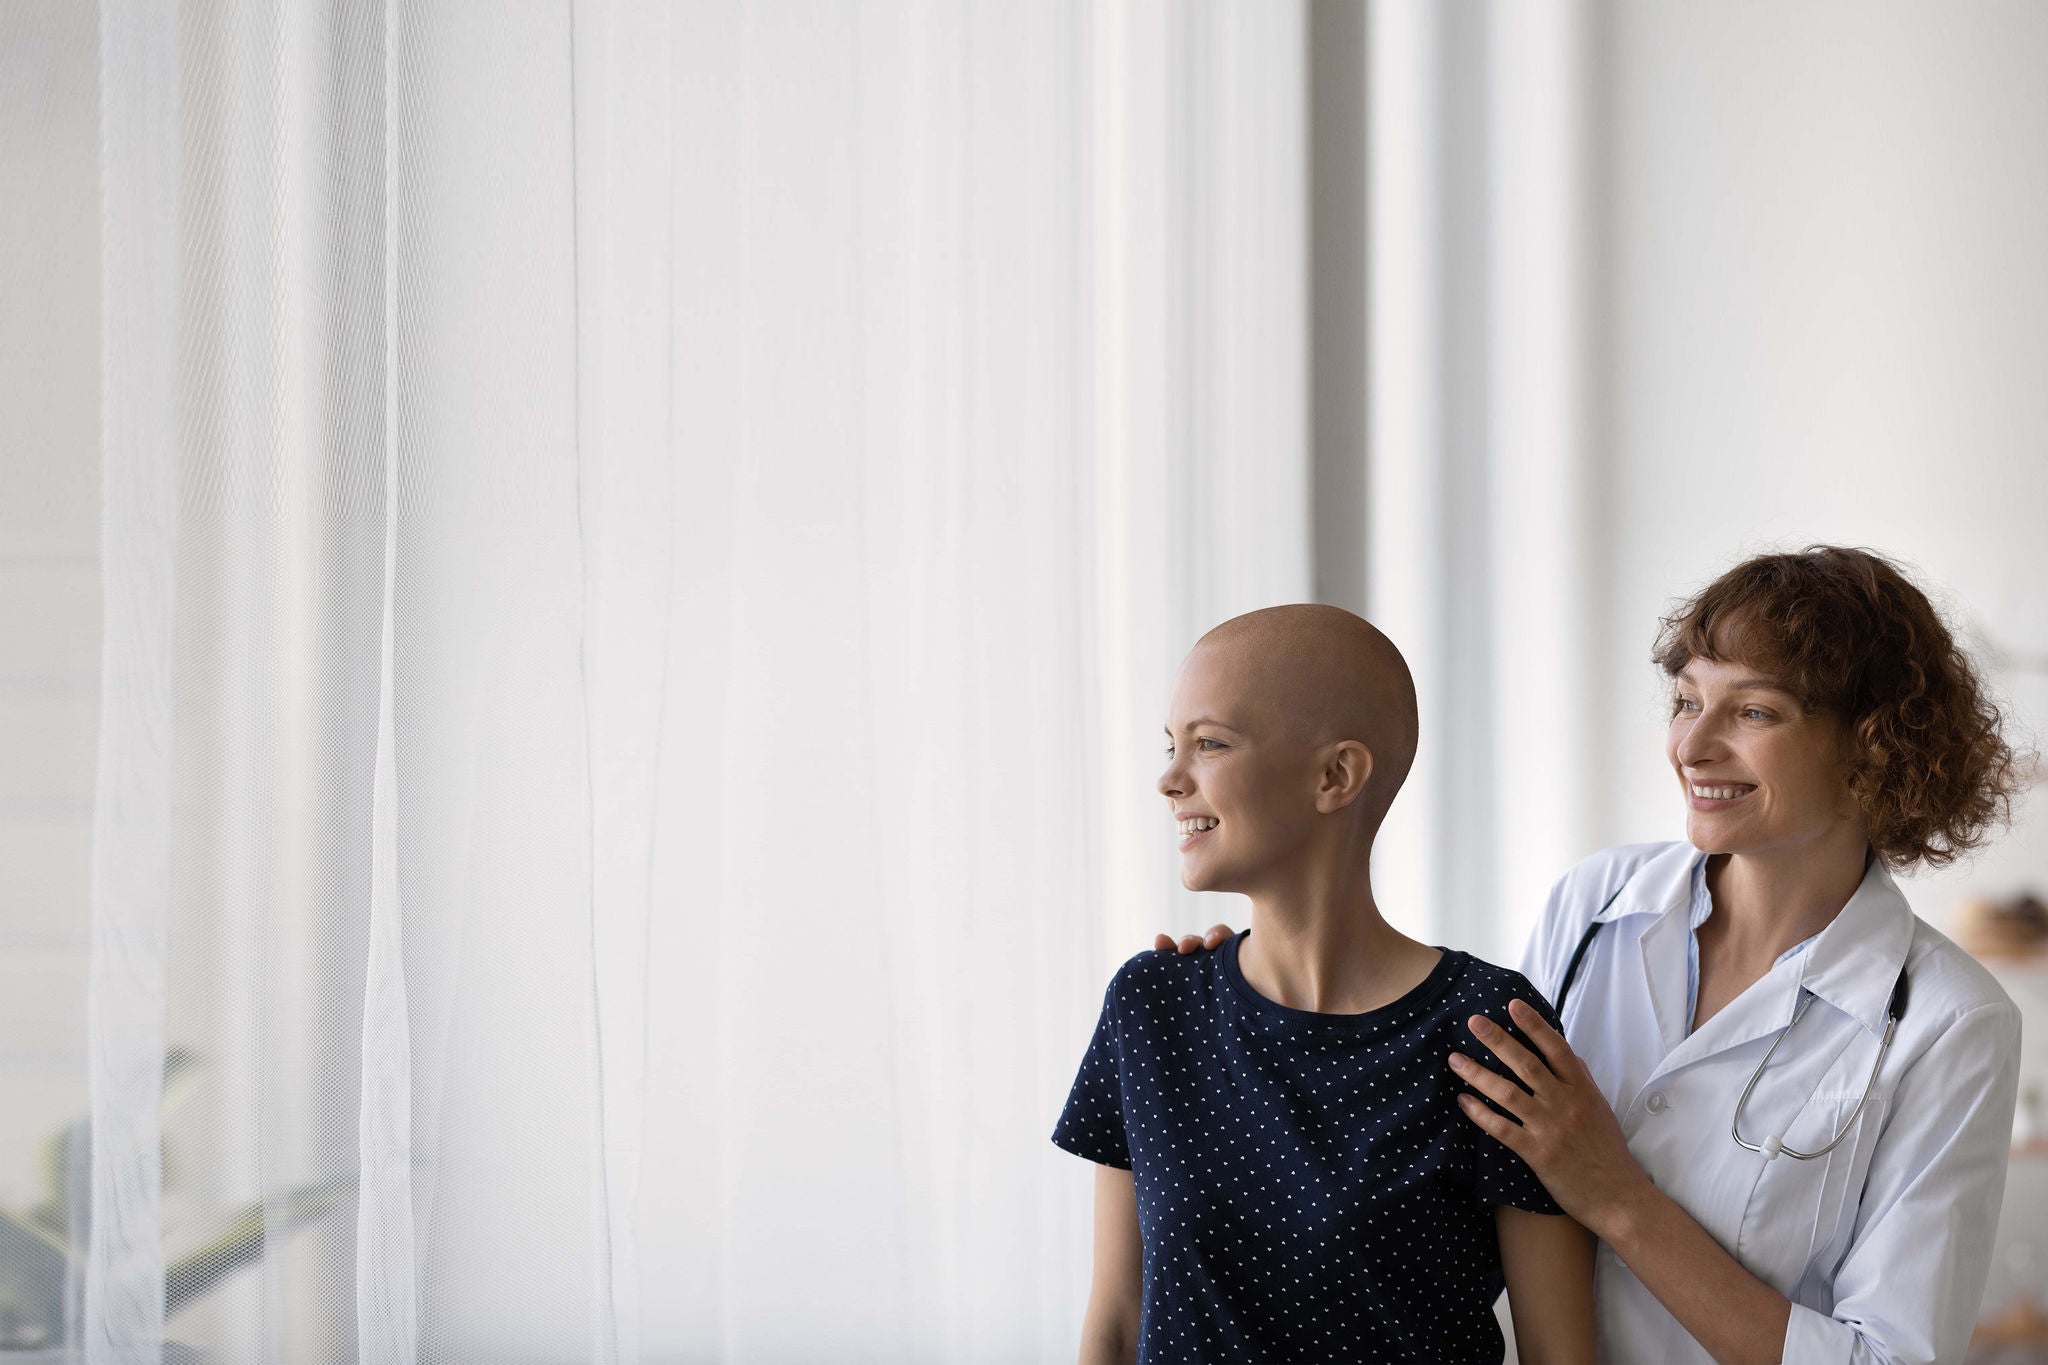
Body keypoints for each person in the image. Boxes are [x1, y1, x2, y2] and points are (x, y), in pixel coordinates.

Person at [1159, 546, 2027, 1364]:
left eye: (1753, 710)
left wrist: (1619, 1197)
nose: (1693, 744)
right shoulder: (1595, 903)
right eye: (1687, 700)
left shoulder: (1949, 1020)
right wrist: (1247, 990)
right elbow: (1457, 1132)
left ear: (1874, 746)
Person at [1056, 605, 1597, 1364]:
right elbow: (1116, 1318)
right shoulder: (1151, 1006)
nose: (1170, 779)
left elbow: (1560, 1352)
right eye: (1171, 745)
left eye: (1209, 743)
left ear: (1336, 775)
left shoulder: (1490, 1027)